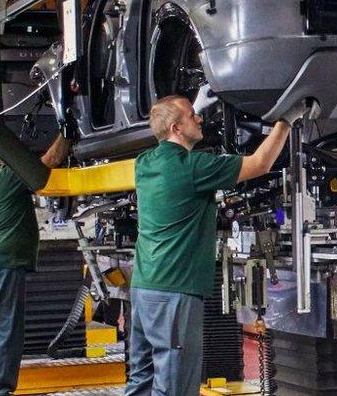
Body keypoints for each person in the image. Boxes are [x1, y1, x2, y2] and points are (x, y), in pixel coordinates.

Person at [124, 95, 309, 395]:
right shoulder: (194, 167)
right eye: (191, 116)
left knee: (142, 379)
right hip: (175, 290)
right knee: (174, 386)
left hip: (144, 287)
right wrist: (287, 119)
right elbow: (260, 164)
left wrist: (190, 106)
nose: (199, 119)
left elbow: (172, 138)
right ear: (176, 128)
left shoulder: (145, 162)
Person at [0, 135, 70, 396]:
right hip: (2, 264)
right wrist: (66, 133)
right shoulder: (8, 175)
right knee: (6, 333)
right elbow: (49, 161)